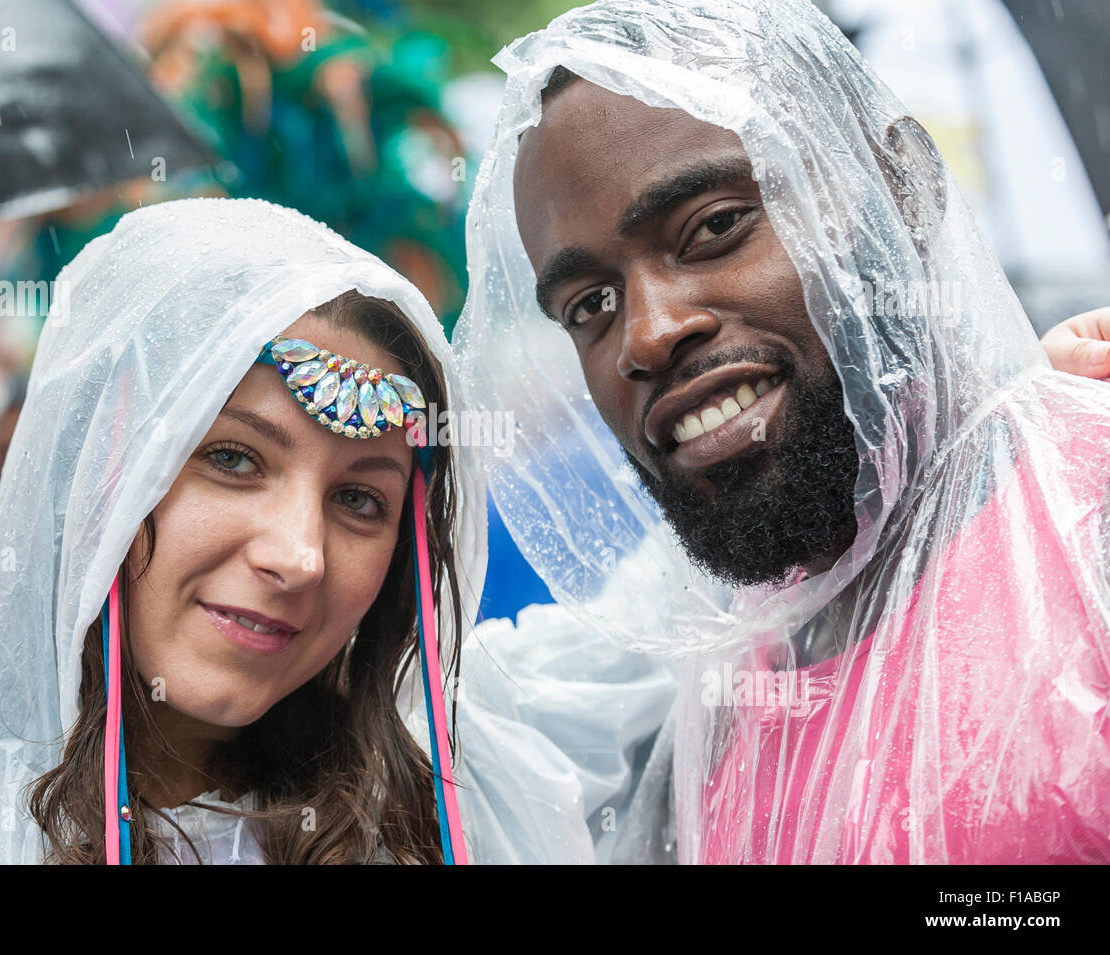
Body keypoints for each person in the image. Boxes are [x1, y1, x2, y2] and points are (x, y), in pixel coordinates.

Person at [455, 0, 1110, 863]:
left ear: (900, 184)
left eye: (715, 227)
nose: (647, 333)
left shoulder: (1085, 520)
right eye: (589, 306)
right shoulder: (728, 672)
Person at [0, 198, 591, 864]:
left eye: (360, 500)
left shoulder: (466, 824)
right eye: (232, 458)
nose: (299, 556)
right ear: (105, 471)